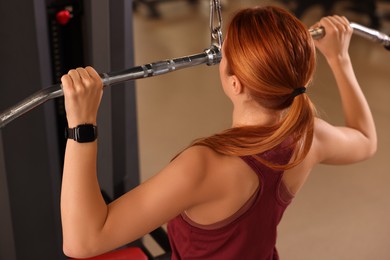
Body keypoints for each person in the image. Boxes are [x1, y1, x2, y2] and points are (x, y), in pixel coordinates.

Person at [60, 5, 377, 260]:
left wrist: (82, 124)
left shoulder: (204, 165)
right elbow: (365, 140)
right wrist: (340, 57)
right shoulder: (309, 136)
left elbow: (82, 242)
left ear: (234, 82)